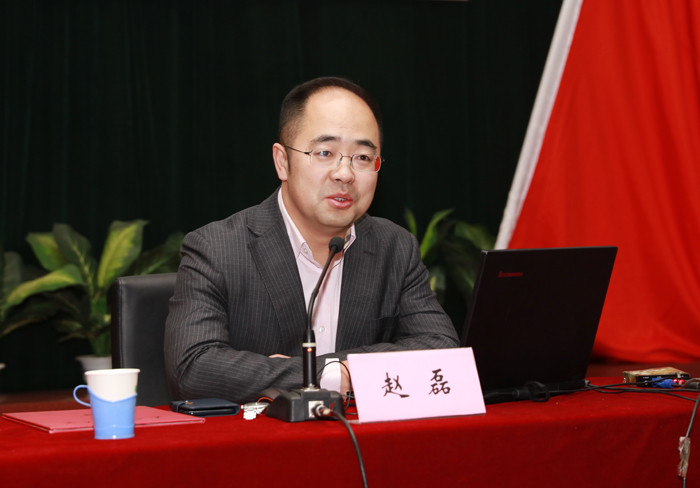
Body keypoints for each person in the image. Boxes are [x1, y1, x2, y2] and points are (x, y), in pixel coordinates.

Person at [164, 76, 459, 404]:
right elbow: (193, 368)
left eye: (362, 157)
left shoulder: (395, 247)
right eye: (325, 152)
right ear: (282, 162)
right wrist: (336, 374)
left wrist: (327, 370)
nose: (344, 174)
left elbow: (442, 351)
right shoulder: (217, 249)